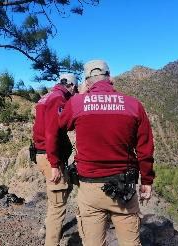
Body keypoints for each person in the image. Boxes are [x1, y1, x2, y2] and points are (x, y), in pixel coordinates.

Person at [59, 60, 155, 246]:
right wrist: (147, 181)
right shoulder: (133, 104)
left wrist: (79, 97)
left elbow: (62, 124)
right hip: (124, 188)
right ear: (110, 78)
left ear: (87, 82)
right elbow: (145, 148)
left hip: (90, 188)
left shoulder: (77, 103)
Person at [32, 73, 78, 246]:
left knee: (60, 194)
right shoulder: (59, 99)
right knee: (58, 205)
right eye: (76, 88)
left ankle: (47, 227)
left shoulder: (47, 96)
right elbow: (52, 132)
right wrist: (54, 163)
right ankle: (50, 239)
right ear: (72, 86)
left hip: (41, 152)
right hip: (50, 155)